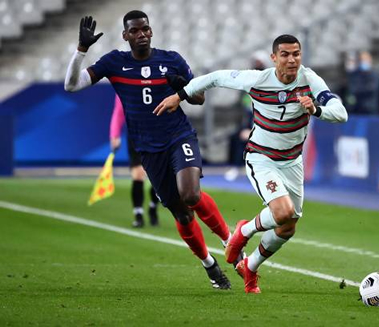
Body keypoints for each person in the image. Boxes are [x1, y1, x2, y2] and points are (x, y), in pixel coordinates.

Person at [155, 34, 348, 293]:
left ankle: (251, 267)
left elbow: (341, 114)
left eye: (296, 54)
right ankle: (243, 231)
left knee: (288, 227)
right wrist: (181, 95)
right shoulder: (257, 80)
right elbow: (214, 78)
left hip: (292, 161)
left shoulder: (310, 80)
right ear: (273, 58)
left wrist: (316, 110)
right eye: (285, 55)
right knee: (282, 211)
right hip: (262, 157)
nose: (292, 60)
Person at [64, 11, 238, 290]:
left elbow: (200, 98)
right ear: (126, 36)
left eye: (145, 29)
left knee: (191, 194)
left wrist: (182, 88)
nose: (141, 34)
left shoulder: (171, 60)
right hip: (147, 147)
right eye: (135, 30)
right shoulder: (114, 63)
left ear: (151, 31)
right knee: (182, 214)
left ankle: (230, 242)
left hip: (178, 135)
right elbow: (72, 85)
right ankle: (210, 265)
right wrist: (81, 50)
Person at [110, 95, 159, 228]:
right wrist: (114, 134)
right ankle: (138, 214)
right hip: (135, 135)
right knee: (138, 174)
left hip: (157, 134)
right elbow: (118, 111)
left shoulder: (156, 79)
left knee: (158, 177)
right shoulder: (125, 82)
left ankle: (153, 206)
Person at [225, 51, 268, 182]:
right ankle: (237, 167)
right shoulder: (248, 81)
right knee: (241, 138)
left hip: (263, 116)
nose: (256, 65)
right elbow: (244, 103)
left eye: (259, 62)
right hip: (250, 116)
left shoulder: (268, 81)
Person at [344, 51, 379, 115]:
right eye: (362, 60)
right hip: (356, 109)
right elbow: (352, 89)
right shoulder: (355, 74)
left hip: (369, 109)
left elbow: (371, 89)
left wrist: (358, 90)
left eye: (365, 60)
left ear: (370, 60)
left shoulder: (374, 75)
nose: (364, 62)